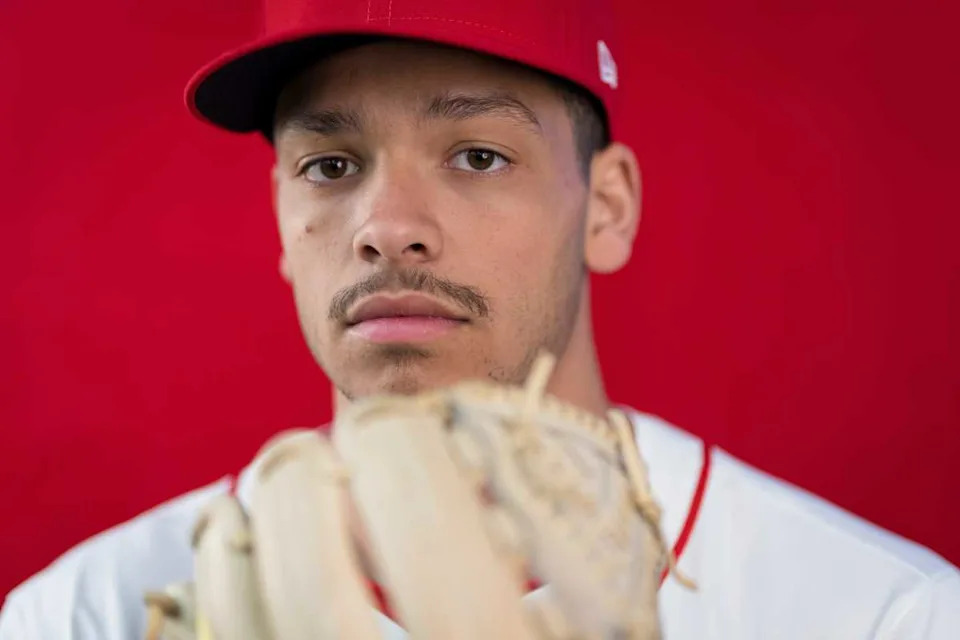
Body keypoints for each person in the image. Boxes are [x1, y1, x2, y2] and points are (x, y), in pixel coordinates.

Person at [2, 0, 958, 638]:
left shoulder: (883, 616)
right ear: (283, 226)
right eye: (331, 166)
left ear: (608, 207)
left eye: (478, 156)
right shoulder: (79, 618)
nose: (387, 229)